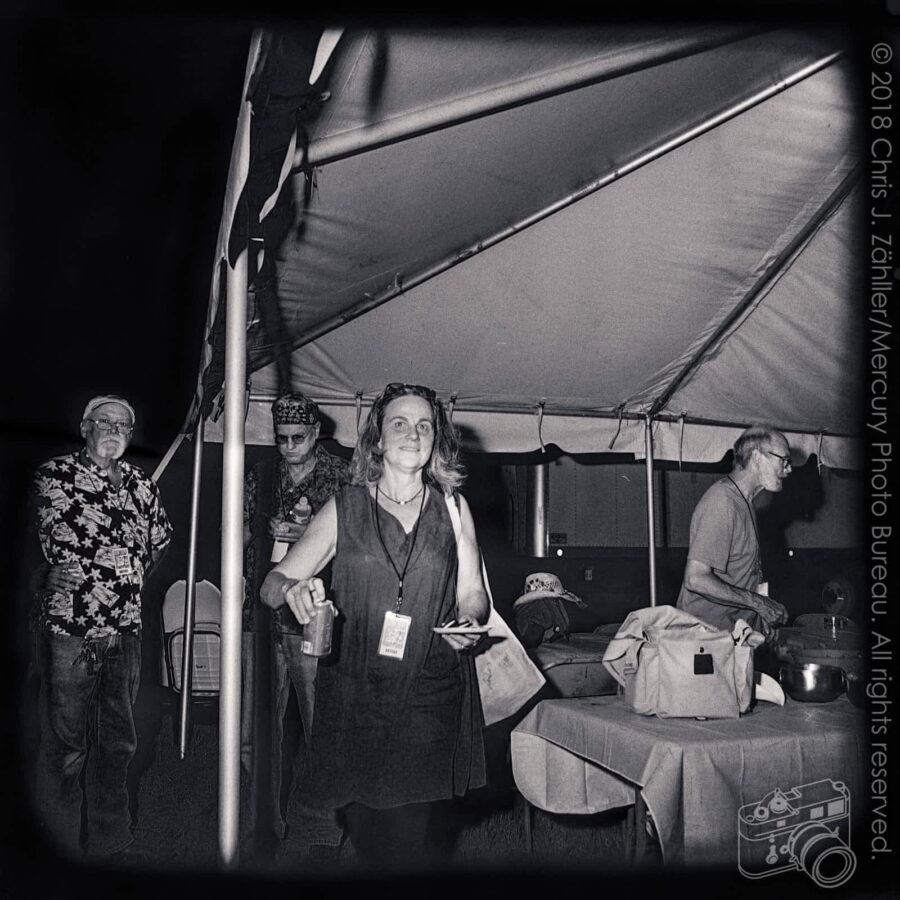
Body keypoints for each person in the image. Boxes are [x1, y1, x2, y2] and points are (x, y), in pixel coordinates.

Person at [260, 382, 488, 869]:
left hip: (429, 689)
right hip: (357, 693)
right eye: (400, 424)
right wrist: (293, 592)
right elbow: (273, 583)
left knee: (407, 835)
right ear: (378, 440)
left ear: (436, 440)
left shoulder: (453, 507)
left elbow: (473, 591)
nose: (413, 433)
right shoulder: (346, 505)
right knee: (364, 825)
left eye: (424, 425)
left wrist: (470, 617)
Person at [29, 394, 172, 861]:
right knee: (65, 745)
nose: (114, 430)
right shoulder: (52, 476)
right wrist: (39, 575)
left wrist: (127, 581)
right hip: (68, 631)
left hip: (124, 631)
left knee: (117, 742)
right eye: (105, 421)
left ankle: (112, 840)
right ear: (85, 427)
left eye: (124, 425)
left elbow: (160, 542)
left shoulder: (140, 484)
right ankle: (57, 845)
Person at [241, 392, 350, 856]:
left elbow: (354, 549)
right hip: (261, 617)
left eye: (298, 438)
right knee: (254, 730)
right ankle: (261, 824)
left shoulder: (342, 477)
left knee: (319, 728)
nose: (288, 446)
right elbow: (238, 535)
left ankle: (324, 827)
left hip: (315, 620)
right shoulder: (260, 477)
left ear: (317, 433)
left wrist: (306, 541)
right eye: (281, 438)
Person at [676, 424, 791, 636]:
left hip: (730, 637)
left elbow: (741, 576)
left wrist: (758, 617)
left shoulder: (744, 502)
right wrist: (758, 604)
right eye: (784, 460)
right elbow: (696, 579)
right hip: (705, 641)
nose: (788, 469)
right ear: (757, 457)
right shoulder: (722, 502)